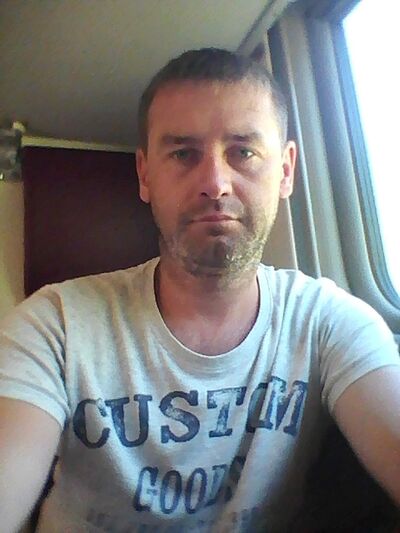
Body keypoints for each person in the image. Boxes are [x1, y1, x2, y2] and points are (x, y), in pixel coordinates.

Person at [0, 48, 399, 533]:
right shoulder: (55, 326)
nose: (214, 183)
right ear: (145, 175)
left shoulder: (329, 323)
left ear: (286, 170)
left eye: (243, 152)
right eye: (183, 154)